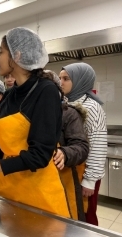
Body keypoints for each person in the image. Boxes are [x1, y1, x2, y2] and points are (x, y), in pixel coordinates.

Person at [0, 27, 71, 218]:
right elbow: (5, 147)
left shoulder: (46, 91)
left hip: (38, 194)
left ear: (16, 55)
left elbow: (39, 156)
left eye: (1, 52)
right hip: (8, 188)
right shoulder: (9, 95)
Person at [59, 62, 107, 225]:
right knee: (72, 212)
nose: (61, 82)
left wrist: (90, 180)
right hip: (70, 167)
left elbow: (97, 145)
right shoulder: (64, 103)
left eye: (66, 78)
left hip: (86, 172)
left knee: (87, 215)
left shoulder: (93, 107)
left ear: (80, 80)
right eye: (60, 78)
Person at [46, 69, 89, 221]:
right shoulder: (29, 115)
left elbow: (82, 147)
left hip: (64, 181)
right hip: (40, 184)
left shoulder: (68, 114)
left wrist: (64, 153)